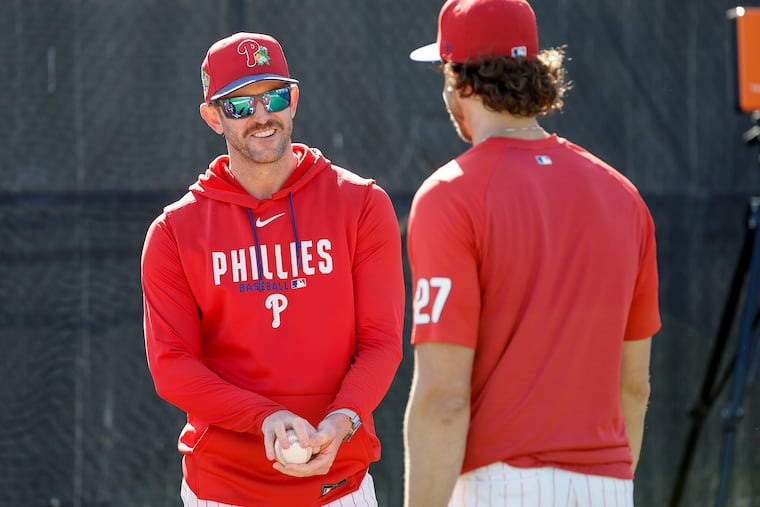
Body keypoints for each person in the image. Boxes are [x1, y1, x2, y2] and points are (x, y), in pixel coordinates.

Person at [402, 1, 661, 506]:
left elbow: (443, 401)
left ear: (460, 81)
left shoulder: (450, 194)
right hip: (608, 486)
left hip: (497, 486)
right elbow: (635, 388)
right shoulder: (623, 196)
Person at [140, 32, 405, 507]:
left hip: (338, 483)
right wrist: (263, 417)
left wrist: (343, 419)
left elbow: (381, 343)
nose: (262, 117)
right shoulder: (175, 231)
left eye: (274, 97)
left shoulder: (362, 204)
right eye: (240, 105)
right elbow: (171, 367)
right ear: (212, 115)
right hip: (222, 488)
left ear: (294, 99)